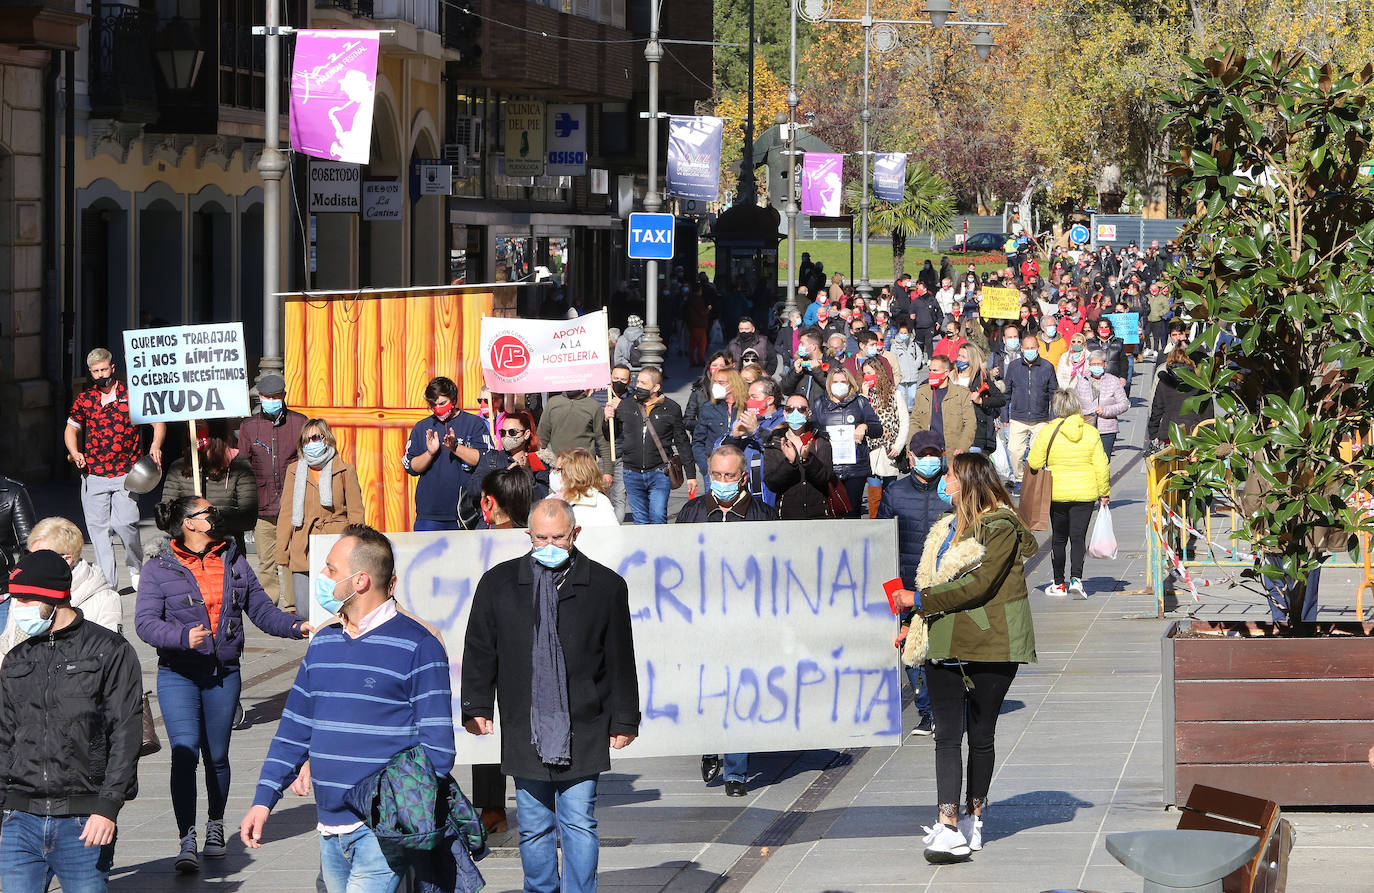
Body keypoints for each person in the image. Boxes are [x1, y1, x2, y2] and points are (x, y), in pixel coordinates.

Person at [241, 525, 454, 893]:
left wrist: (396, 812)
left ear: (360, 581)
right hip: (328, 826)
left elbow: (438, 749)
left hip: (382, 830)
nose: (321, 577)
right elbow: (293, 730)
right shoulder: (323, 643)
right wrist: (263, 801)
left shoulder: (419, 645)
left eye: (331, 570)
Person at [461, 499, 640, 893]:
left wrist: (625, 719)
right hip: (526, 722)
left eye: (558, 537)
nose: (549, 544)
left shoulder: (605, 586)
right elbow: (479, 649)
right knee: (535, 824)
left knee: (579, 821)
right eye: (541, 537)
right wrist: (475, 706)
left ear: (574, 534)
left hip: (584, 720)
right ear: (528, 535)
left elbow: (620, 658)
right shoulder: (499, 583)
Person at [137, 495, 310, 873]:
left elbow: (262, 611)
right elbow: (145, 623)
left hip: (223, 674)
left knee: (216, 756)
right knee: (184, 753)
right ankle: (187, 837)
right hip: (178, 674)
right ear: (188, 523)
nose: (213, 515)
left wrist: (298, 627)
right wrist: (182, 637)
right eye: (206, 512)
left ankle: (215, 824)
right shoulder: (158, 567)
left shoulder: (233, 560)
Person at [892, 452, 1038, 864]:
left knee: (981, 734)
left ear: (970, 481)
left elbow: (979, 584)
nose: (944, 480)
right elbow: (935, 579)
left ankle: (974, 818)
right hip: (944, 639)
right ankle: (948, 824)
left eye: (951, 475)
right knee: (947, 735)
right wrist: (914, 620)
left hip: (991, 643)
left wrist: (919, 599)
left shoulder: (1000, 526)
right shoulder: (945, 527)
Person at [0, 550, 143, 893]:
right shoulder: (17, 659)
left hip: (83, 818)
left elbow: (126, 732)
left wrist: (107, 807)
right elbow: (4, 737)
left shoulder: (109, 650)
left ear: (51, 598)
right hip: (18, 819)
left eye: (24, 599)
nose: (16, 607)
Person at [677, 446, 774, 796]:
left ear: (743, 477)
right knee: (706, 688)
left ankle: (736, 770)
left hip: (743, 620)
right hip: (700, 619)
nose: (721, 482)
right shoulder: (692, 512)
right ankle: (709, 747)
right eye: (715, 475)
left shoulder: (762, 515)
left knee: (738, 690)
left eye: (728, 476)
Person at [65, 347, 167, 589]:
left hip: (126, 473)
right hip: (94, 473)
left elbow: (158, 423)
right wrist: (75, 451)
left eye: (104, 369)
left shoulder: (131, 395)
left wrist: (155, 446)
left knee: (126, 523)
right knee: (98, 531)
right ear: (90, 373)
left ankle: (135, 565)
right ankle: (109, 583)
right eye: (95, 371)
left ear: (112, 367)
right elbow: (71, 428)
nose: (100, 375)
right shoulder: (85, 399)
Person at [876, 429, 947, 738]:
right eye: (924, 454)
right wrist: (892, 590)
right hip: (906, 586)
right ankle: (927, 711)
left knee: (944, 648)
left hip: (943, 585)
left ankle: (949, 706)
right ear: (911, 457)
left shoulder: (952, 491)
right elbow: (881, 540)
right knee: (912, 651)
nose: (929, 460)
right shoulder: (895, 492)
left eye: (934, 454)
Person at [1027, 390, 1110, 599]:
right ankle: (1076, 579)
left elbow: (1035, 462)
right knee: (1078, 538)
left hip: (1056, 493)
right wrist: (1104, 493)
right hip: (1085, 493)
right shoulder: (1090, 432)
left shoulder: (1048, 431)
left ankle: (1058, 583)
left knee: (1059, 538)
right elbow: (1102, 466)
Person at [276, 419, 366, 610]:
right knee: (304, 610)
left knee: (335, 607)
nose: (310, 443)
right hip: (303, 544)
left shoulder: (345, 470)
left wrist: (356, 546)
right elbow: (286, 512)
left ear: (326, 438)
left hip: (335, 542)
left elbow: (356, 512)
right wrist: (282, 549)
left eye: (315, 437)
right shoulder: (294, 471)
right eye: (305, 440)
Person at [1, 517, 121, 660]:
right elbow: (7, 644)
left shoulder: (104, 599)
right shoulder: (24, 590)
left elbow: (108, 657)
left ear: (67, 560)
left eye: (40, 557)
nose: (31, 563)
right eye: (28, 555)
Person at [238, 373, 307, 608]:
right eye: (267, 397)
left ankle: (291, 605)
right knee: (266, 560)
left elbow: (307, 460)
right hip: (262, 504)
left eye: (276, 396)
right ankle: (269, 605)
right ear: (260, 397)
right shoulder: (249, 427)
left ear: (284, 396)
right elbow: (243, 466)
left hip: (291, 504)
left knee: (288, 558)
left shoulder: (299, 423)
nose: (271, 400)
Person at [404, 376, 490, 531]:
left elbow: (483, 459)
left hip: (466, 513)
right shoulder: (422, 427)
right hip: (430, 515)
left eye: (442, 403)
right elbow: (412, 467)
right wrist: (430, 453)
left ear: (453, 399)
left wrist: (455, 447)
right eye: (433, 405)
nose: (438, 408)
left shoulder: (474, 424)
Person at [160, 419, 258, 553]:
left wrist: (213, 522)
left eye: (201, 425)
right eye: (193, 426)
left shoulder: (239, 465)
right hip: (187, 554)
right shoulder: (179, 468)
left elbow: (249, 519)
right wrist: (166, 516)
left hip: (226, 552)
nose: (196, 429)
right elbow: (167, 515)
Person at [615, 366, 697, 524]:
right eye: (638, 381)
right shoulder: (626, 405)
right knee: (640, 520)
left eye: (644, 383)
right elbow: (613, 435)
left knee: (658, 516)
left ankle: (660, 549)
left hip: (659, 472)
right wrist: (607, 420)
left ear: (656, 387)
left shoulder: (671, 408)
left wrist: (691, 475)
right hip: (631, 472)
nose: (638, 386)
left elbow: (682, 441)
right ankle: (645, 549)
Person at [811, 366, 882, 517]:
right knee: (830, 513)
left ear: (850, 383)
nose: (839, 384)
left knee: (852, 513)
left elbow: (878, 429)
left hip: (855, 469)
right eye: (835, 381)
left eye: (843, 381)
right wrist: (823, 434)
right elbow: (811, 430)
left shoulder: (861, 402)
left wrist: (864, 427)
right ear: (829, 384)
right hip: (829, 468)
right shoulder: (819, 404)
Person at [762, 394, 837, 519]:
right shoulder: (774, 442)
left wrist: (808, 459)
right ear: (785, 414)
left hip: (818, 514)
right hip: (787, 515)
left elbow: (826, 477)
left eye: (801, 409)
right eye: (790, 409)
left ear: (809, 414)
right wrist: (789, 463)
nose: (795, 413)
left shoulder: (820, 440)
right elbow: (772, 484)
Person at [466, 409, 551, 514]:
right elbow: (473, 490)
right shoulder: (492, 458)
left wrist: (526, 473)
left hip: (524, 523)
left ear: (526, 434)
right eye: (502, 432)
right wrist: (503, 477)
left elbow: (542, 496)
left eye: (512, 432)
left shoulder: (537, 461)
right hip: (494, 524)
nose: (506, 436)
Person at [1003, 335, 1059, 489]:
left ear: (1038, 348)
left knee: (1037, 454)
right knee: (1014, 451)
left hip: (1040, 418)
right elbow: (1007, 392)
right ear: (1021, 349)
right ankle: (1020, 478)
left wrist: (1053, 416)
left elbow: (1054, 393)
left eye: (1032, 348)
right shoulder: (1014, 367)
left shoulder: (1047, 367)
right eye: (1026, 348)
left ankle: (1035, 481)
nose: (1030, 351)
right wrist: (1004, 415)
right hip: (1018, 416)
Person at [538, 387, 612, 492]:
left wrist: (608, 471)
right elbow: (541, 439)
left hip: (585, 469)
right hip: (559, 469)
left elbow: (603, 441)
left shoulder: (593, 406)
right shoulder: (553, 403)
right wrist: (539, 469)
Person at [861, 357, 910, 516]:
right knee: (874, 493)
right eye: (864, 374)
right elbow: (859, 418)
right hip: (871, 450)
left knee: (890, 491)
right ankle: (875, 524)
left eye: (870, 373)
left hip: (890, 450)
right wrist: (863, 396)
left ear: (879, 373)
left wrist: (898, 446)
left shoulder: (895, 394)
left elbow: (904, 422)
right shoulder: (863, 397)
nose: (867, 376)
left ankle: (890, 522)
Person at [1148, 347, 1215, 451]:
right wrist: (1209, 434)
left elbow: (1157, 409)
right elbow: (1207, 412)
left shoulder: (1164, 382)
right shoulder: (1199, 382)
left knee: (1172, 463)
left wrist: (1153, 434)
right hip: (1194, 432)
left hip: (1170, 433)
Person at [692, 366, 749, 486]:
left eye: (721, 382)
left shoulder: (747, 407)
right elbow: (698, 441)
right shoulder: (708, 407)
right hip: (715, 471)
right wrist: (705, 467)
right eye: (715, 382)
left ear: (733, 384)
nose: (715, 386)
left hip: (740, 469)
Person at [911, 356, 976, 456]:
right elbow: (915, 422)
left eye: (935, 370)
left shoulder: (961, 394)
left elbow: (970, 424)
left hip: (953, 453)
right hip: (927, 453)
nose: (931, 373)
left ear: (946, 372)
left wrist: (962, 447)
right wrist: (911, 449)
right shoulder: (922, 392)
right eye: (930, 370)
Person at [1075, 351, 1129, 458]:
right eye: (1093, 364)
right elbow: (1074, 404)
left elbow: (1124, 404)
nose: (1096, 367)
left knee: (1103, 461)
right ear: (1089, 365)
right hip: (1086, 428)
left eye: (1098, 364)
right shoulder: (1082, 381)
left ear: (1105, 364)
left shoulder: (1113, 381)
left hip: (1107, 430)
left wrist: (1106, 410)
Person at [957, 343, 1007, 455]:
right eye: (959, 355)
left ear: (972, 359)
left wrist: (981, 401)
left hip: (976, 432)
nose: (959, 359)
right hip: (955, 429)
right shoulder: (952, 376)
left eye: (963, 357)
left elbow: (1000, 400)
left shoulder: (981, 377)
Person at [555, 448, 619, 527]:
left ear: (574, 473)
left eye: (558, 470)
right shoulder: (550, 501)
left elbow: (614, 536)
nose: (554, 474)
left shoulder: (600, 502)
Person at [602, 363, 633, 521]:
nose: (619, 382)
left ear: (629, 381)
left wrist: (623, 409)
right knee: (601, 499)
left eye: (623, 379)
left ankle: (616, 528)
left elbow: (636, 423)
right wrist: (605, 417)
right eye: (615, 378)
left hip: (623, 454)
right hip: (602, 456)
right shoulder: (598, 398)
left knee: (619, 498)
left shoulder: (633, 400)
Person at [683, 351, 732, 435]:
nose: (718, 368)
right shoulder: (699, 390)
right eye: (714, 365)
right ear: (709, 367)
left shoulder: (733, 389)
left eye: (722, 366)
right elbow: (687, 421)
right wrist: (705, 425)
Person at [780, 330, 829, 402]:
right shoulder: (799, 362)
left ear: (813, 347)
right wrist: (796, 373)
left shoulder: (831, 363)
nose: (799, 346)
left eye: (802, 344)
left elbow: (832, 389)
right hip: (801, 409)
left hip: (820, 410)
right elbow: (785, 390)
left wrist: (817, 371)